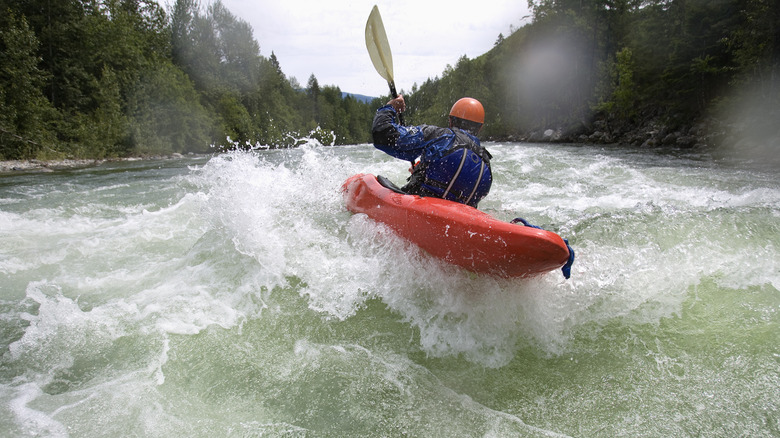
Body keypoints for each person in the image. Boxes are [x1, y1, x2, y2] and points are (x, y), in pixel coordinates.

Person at [371, 95, 492, 208]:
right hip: (458, 223)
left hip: (421, 210)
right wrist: (422, 171)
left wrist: (391, 107)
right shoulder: (486, 163)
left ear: (450, 120)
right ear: (480, 128)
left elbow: (383, 134)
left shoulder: (440, 136)